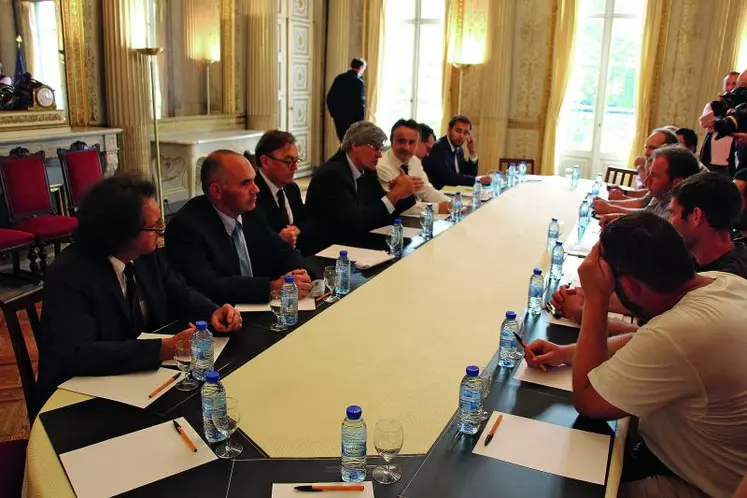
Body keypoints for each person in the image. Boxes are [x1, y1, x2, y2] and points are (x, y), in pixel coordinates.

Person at [526, 213, 747, 497]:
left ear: (628, 286)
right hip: (698, 458)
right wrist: (569, 353)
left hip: (695, 482)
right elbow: (644, 338)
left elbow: (587, 399)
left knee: (562, 483)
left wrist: (596, 300)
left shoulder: (680, 332)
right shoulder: (721, 281)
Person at [35, 175, 243, 408]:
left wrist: (212, 311)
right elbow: (79, 353)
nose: (161, 231)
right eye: (155, 226)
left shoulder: (145, 255)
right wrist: (164, 348)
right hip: (77, 397)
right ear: (122, 233)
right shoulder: (70, 274)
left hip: (138, 383)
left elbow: (179, 292)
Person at [164, 150, 313, 306]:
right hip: (218, 317)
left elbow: (281, 250)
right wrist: (270, 288)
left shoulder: (250, 212)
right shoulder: (186, 228)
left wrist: (303, 274)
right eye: (245, 183)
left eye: (254, 181)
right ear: (216, 191)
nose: (256, 189)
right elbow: (207, 285)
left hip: (258, 309)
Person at [305, 121, 420, 249]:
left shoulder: (367, 171)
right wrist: (394, 195)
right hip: (328, 250)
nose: (380, 155)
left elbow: (381, 212)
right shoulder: (332, 175)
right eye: (375, 148)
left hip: (355, 244)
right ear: (355, 145)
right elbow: (355, 222)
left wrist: (403, 192)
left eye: (380, 149)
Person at [597, 144, 700, 226]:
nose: (647, 180)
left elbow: (651, 228)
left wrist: (611, 210)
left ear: (677, 183)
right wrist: (616, 217)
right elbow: (645, 216)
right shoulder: (663, 197)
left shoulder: (678, 214)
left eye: (655, 176)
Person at [250, 130, 316, 255]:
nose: (295, 168)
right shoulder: (253, 193)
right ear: (266, 161)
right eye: (288, 162)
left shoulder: (291, 188)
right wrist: (278, 239)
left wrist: (297, 230)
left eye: (296, 161)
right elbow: (253, 239)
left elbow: (307, 221)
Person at [668, 172, 747, 278]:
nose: (669, 221)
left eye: (673, 213)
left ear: (696, 216)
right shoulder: (697, 259)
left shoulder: (725, 284)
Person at [376, 119, 450, 214]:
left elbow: (427, 190)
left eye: (411, 142)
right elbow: (400, 207)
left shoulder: (414, 160)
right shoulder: (381, 166)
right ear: (391, 141)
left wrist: (450, 203)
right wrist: (439, 208)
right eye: (401, 141)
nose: (406, 147)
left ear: (417, 144)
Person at [602, 128, 679, 204]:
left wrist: (611, 205)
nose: (646, 153)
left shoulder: (671, 175)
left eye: (652, 148)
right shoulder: (650, 165)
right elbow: (645, 199)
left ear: (667, 148)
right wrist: (623, 193)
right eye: (646, 147)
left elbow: (644, 208)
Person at [422, 114, 491, 190]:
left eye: (465, 133)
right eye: (458, 131)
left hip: (454, 194)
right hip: (437, 195)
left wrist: (472, 152)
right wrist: (477, 180)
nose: (461, 136)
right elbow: (449, 178)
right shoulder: (438, 148)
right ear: (449, 130)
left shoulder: (459, 150)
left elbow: (470, 174)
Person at [698, 71, 741, 177]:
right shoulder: (714, 105)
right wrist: (722, 106)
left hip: (731, 164)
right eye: (727, 83)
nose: (730, 87)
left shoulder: (742, 108)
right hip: (709, 161)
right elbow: (704, 123)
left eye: (734, 84)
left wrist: (716, 125)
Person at [326, 58, 366, 142]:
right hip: (353, 122)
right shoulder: (358, 82)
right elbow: (360, 105)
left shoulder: (339, 78)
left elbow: (329, 98)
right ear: (361, 67)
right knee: (351, 146)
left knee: (343, 143)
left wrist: (334, 115)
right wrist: (361, 123)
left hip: (339, 119)